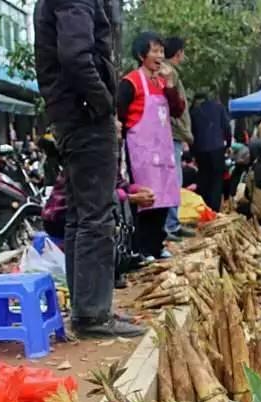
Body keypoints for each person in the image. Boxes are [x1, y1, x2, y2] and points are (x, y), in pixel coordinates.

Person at [35, 0, 143, 338]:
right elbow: (76, 56)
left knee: (81, 215)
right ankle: (93, 315)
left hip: (73, 114)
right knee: (96, 215)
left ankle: (88, 310)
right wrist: (103, 103)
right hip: (84, 116)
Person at [117, 32, 185, 263]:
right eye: (154, 51)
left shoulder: (163, 83)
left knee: (164, 196)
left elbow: (177, 110)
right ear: (141, 55)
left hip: (163, 148)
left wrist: (172, 85)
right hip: (140, 151)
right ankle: (142, 248)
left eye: (161, 51)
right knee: (144, 199)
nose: (159, 56)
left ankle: (157, 245)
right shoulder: (130, 82)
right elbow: (119, 115)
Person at [163, 36, 195, 241]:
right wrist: (183, 132)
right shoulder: (168, 73)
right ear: (179, 53)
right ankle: (170, 226)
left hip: (175, 134)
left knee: (176, 180)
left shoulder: (171, 72)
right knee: (172, 181)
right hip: (171, 134)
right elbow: (173, 107)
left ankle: (172, 224)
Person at [190, 91, 231, 212]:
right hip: (217, 148)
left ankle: (204, 209)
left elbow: (192, 134)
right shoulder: (219, 108)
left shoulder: (194, 112)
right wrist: (228, 144)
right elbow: (227, 127)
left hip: (201, 150)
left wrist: (193, 153)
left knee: (203, 180)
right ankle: (214, 210)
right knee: (216, 181)